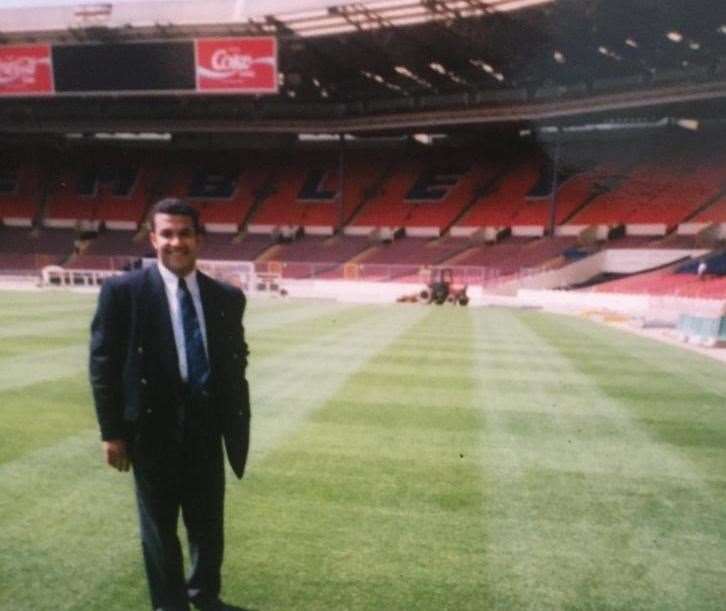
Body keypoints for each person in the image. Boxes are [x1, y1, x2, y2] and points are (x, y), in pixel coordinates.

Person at [89, 198, 251, 611]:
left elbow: (235, 359)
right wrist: (112, 433)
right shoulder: (123, 292)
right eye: (167, 233)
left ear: (198, 238)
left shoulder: (226, 297)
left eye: (184, 233)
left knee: (208, 523)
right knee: (159, 528)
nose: (176, 242)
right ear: (153, 238)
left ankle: (204, 594)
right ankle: (170, 603)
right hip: (151, 427)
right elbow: (103, 365)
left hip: (206, 424)